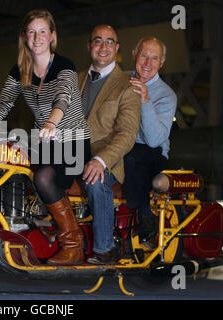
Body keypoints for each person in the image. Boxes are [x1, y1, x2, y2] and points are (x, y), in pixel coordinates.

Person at [0, 9, 91, 265]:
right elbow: (3, 104)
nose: (37, 37)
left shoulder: (65, 66)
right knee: (8, 167)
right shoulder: (20, 71)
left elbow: (64, 97)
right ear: (24, 37)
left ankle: (73, 244)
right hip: (45, 143)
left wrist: (52, 122)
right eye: (31, 32)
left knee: (43, 176)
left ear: (52, 36)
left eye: (42, 31)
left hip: (72, 141)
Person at [78, 25, 141, 264]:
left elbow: (127, 133)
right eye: (98, 41)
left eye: (109, 42)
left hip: (109, 159)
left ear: (116, 48)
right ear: (89, 46)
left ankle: (105, 250)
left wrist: (100, 160)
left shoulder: (128, 85)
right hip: (71, 152)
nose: (103, 47)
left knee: (95, 181)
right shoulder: (75, 79)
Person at [124, 37, 177, 247]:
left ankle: (146, 217)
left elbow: (155, 140)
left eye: (154, 58)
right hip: (121, 145)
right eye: (144, 55)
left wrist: (145, 100)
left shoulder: (167, 95)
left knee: (131, 157)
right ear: (134, 54)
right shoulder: (120, 80)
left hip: (152, 153)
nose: (147, 62)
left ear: (161, 63)